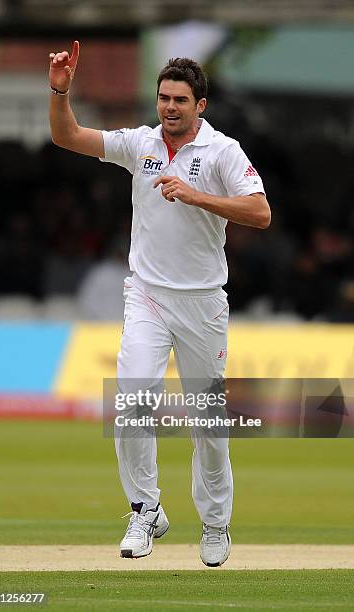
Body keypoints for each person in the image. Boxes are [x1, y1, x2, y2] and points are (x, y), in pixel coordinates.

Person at [49, 41, 271, 567]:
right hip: (146, 293)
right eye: (163, 97)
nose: (169, 107)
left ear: (201, 106)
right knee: (131, 399)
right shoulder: (140, 144)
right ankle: (144, 508)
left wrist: (198, 197)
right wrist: (60, 90)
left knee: (209, 427)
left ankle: (215, 525)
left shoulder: (223, 152)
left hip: (202, 304)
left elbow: (260, 213)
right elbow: (68, 136)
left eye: (180, 100)